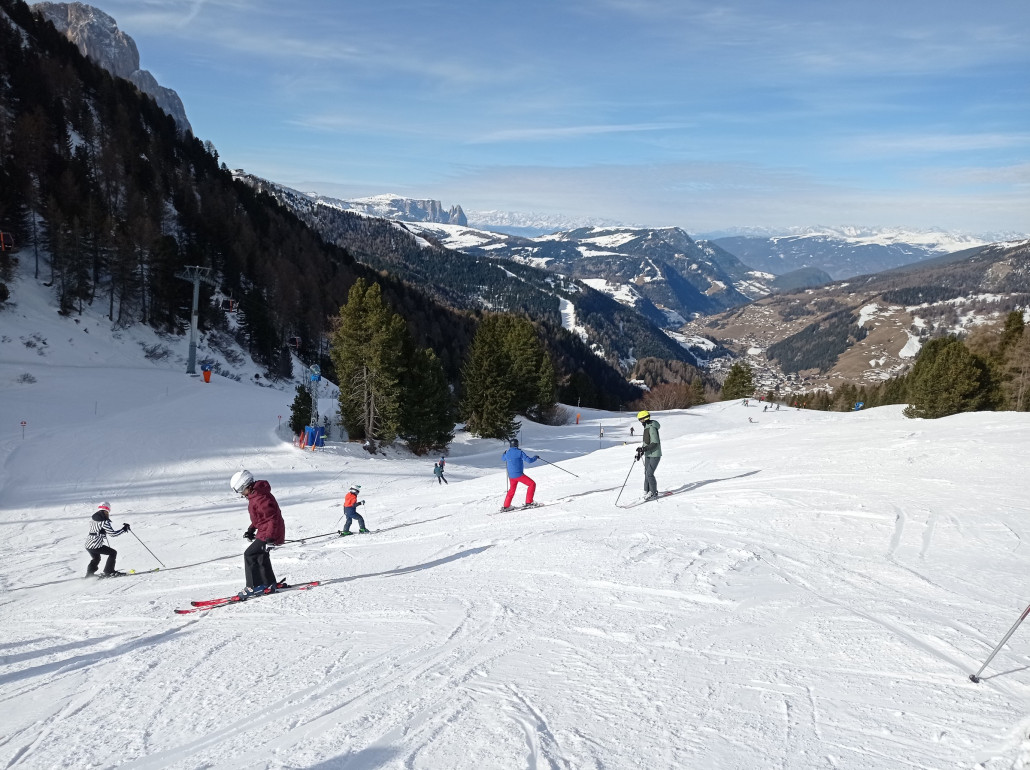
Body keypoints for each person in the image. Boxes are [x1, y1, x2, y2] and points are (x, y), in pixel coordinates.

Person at [230, 469, 286, 598]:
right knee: (261, 556)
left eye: (241, 490)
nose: (241, 494)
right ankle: (269, 583)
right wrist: (251, 529)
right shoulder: (256, 496)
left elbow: (271, 519)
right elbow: (260, 519)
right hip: (267, 531)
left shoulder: (260, 498)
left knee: (249, 554)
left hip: (270, 532)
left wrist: (270, 538)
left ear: (247, 485)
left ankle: (254, 586)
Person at [85, 501, 130, 577]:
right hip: (95, 545)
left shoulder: (93, 519)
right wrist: (124, 529)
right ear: (107, 510)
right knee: (113, 553)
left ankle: (89, 575)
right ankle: (109, 571)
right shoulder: (104, 522)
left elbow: (96, 529)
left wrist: (101, 532)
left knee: (96, 558)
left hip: (88, 544)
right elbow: (113, 534)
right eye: (108, 512)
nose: (108, 513)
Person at [500, 438, 540, 511]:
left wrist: (504, 453)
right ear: (517, 444)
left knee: (512, 489)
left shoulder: (507, 452)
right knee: (532, 484)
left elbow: (503, 459)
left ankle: (506, 506)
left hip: (511, 476)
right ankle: (529, 502)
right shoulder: (519, 452)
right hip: (519, 475)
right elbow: (529, 460)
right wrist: (535, 457)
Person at [634, 410, 662, 501]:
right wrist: (640, 452)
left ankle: (653, 493)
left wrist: (644, 449)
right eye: (639, 420)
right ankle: (646, 491)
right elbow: (646, 442)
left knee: (649, 473)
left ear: (645, 418)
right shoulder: (646, 427)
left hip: (655, 454)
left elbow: (655, 443)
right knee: (646, 473)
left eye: (641, 420)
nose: (640, 422)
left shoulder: (652, 427)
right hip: (648, 454)